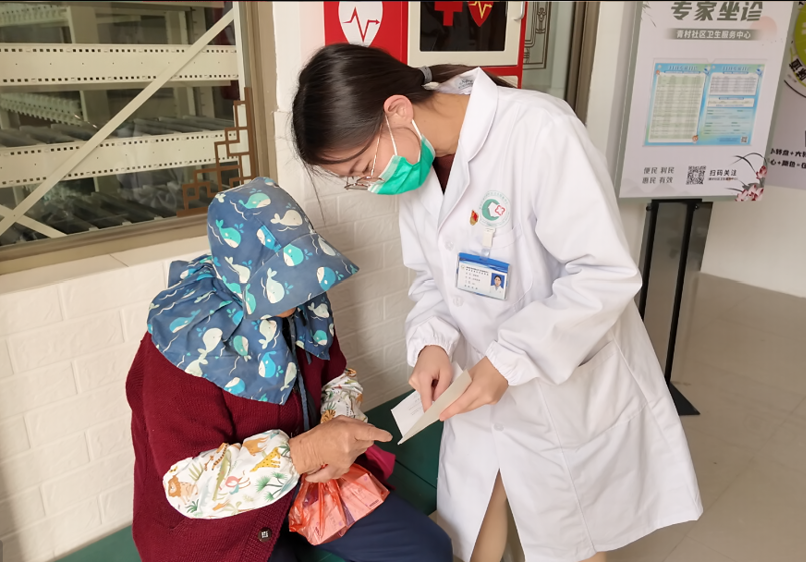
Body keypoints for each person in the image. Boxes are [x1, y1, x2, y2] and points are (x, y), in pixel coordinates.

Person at [290, 44, 703, 562]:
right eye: (354, 180)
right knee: (474, 515)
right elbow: (432, 278)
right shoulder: (418, 163)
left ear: (396, 109)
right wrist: (432, 343)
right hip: (475, 383)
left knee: (571, 536)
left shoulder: (539, 130)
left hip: (560, 379)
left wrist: (507, 361)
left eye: (363, 167)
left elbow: (603, 274)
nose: (370, 185)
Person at [126, 178, 453, 562]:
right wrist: (305, 451)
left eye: (296, 273)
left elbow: (337, 377)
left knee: (429, 548)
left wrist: (339, 426)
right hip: (221, 525)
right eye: (279, 280)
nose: (296, 293)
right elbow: (190, 486)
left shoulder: (304, 304)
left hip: (314, 484)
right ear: (239, 272)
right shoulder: (181, 342)